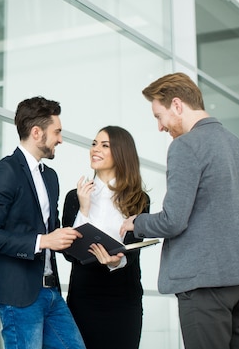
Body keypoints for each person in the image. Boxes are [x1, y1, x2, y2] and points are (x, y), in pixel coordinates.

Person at [120, 72, 239, 349]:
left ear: (177, 105)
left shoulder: (185, 146)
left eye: (158, 116)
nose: (160, 127)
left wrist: (136, 223)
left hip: (204, 287)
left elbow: (173, 221)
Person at [0, 96, 86, 349]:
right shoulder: (4, 171)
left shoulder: (51, 177)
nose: (60, 139)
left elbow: (53, 230)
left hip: (50, 292)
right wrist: (44, 241)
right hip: (18, 295)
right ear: (37, 132)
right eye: (57, 132)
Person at [62, 126, 150, 349]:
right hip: (84, 297)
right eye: (93, 144)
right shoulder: (75, 196)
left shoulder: (139, 199)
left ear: (121, 152)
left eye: (104, 145)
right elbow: (69, 252)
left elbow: (134, 249)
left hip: (124, 298)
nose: (95, 149)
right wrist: (84, 209)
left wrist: (116, 261)